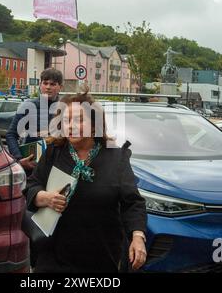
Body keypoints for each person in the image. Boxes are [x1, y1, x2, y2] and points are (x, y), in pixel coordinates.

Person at [24, 88, 147, 273]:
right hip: (53, 253)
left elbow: (133, 202)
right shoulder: (53, 152)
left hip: (101, 255)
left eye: (79, 120)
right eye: (66, 121)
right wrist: (44, 197)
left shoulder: (116, 156)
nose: (71, 126)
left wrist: (138, 236)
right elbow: (32, 185)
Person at [6, 68, 63, 172]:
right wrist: (19, 159)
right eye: (45, 83)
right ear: (40, 85)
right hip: (33, 167)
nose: (48, 87)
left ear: (60, 87)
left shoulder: (66, 109)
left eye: (53, 84)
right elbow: (11, 135)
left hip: (57, 166)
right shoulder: (28, 106)